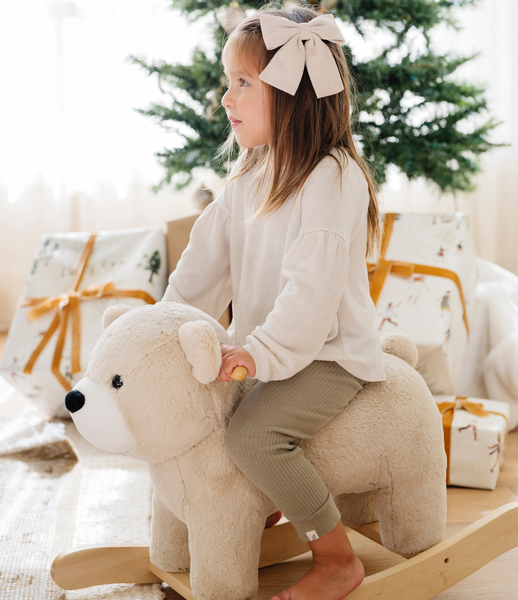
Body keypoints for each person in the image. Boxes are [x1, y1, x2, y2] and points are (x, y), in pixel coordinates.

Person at [162, 6, 386, 600]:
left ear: (294, 96)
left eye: (242, 84)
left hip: (328, 354)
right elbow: (204, 265)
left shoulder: (332, 178)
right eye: (227, 82)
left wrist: (259, 353)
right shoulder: (250, 171)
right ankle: (252, 510)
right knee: (203, 413)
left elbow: (309, 297)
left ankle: (336, 558)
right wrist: (163, 325)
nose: (225, 99)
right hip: (272, 349)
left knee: (251, 437)